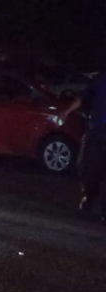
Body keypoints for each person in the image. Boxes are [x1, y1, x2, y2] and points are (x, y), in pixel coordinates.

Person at [61, 71, 106, 222]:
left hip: (96, 131)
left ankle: (96, 206)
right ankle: (90, 201)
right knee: (87, 167)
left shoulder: (99, 79)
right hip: (96, 131)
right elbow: (82, 98)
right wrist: (67, 111)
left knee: (90, 167)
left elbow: (82, 99)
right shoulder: (99, 80)